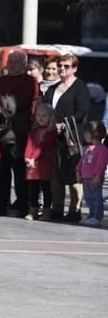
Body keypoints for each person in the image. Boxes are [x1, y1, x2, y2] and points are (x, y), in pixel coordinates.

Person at [0, 50, 39, 217]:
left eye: (17, 62)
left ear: (24, 64)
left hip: (18, 131)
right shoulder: (0, 81)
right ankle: (0, 204)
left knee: (19, 170)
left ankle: (22, 205)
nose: (12, 65)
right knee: (0, 170)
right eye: (10, 62)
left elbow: (18, 102)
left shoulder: (29, 81)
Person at [42, 53, 90, 221]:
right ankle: (57, 208)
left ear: (74, 68)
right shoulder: (52, 88)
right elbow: (44, 108)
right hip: (52, 137)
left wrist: (65, 123)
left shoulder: (79, 86)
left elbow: (82, 111)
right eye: (60, 65)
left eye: (66, 66)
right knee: (55, 173)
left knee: (74, 173)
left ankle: (74, 209)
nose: (62, 68)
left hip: (73, 137)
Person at [24, 103, 57, 221]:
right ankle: (33, 210)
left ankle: (47, 211)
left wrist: (33, 158)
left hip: (44, 163)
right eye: (38, 115)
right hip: (33, 163)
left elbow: (42, 146)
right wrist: (27, 157)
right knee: (33, 188)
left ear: (50, 117)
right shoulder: (33, 131)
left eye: (44, 115)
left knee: (45, 188)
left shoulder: (51, 132)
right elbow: (29, 145)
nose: (41, 118)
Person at [78, 121, 107, 227]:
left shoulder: (102, 149)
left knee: (96, 197)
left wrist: (97, 175)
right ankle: (91, 215)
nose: (84, 135)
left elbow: (101, 164)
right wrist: (78, 171)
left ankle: (97, 216)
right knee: (88, 197)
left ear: (95, 134)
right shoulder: (88, 148)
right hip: (86, 178)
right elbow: (82, 161)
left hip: (94, 178)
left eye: (87, 133)